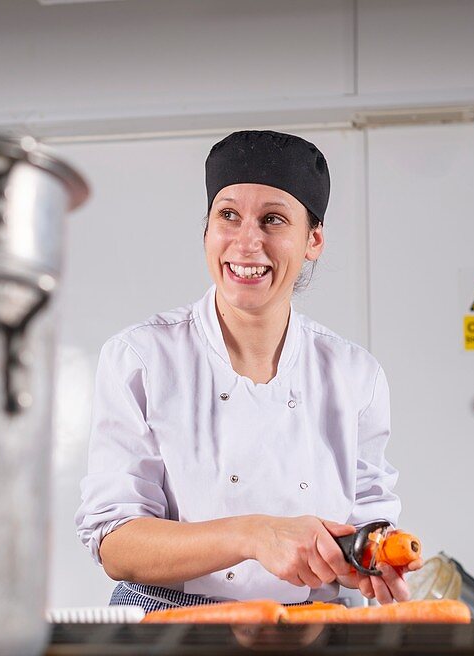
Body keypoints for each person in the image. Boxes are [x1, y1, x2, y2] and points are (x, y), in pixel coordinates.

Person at [75, 130, 418, 613]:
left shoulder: (353, 375)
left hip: (311, 628)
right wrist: (254, 534)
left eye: (273, 220)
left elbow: (369, 523)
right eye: (228, 216)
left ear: (312, 240)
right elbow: (117, 545)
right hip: (168, 625)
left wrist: (373, 558)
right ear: (207, 229)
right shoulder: (143, 357)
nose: (246, 241)